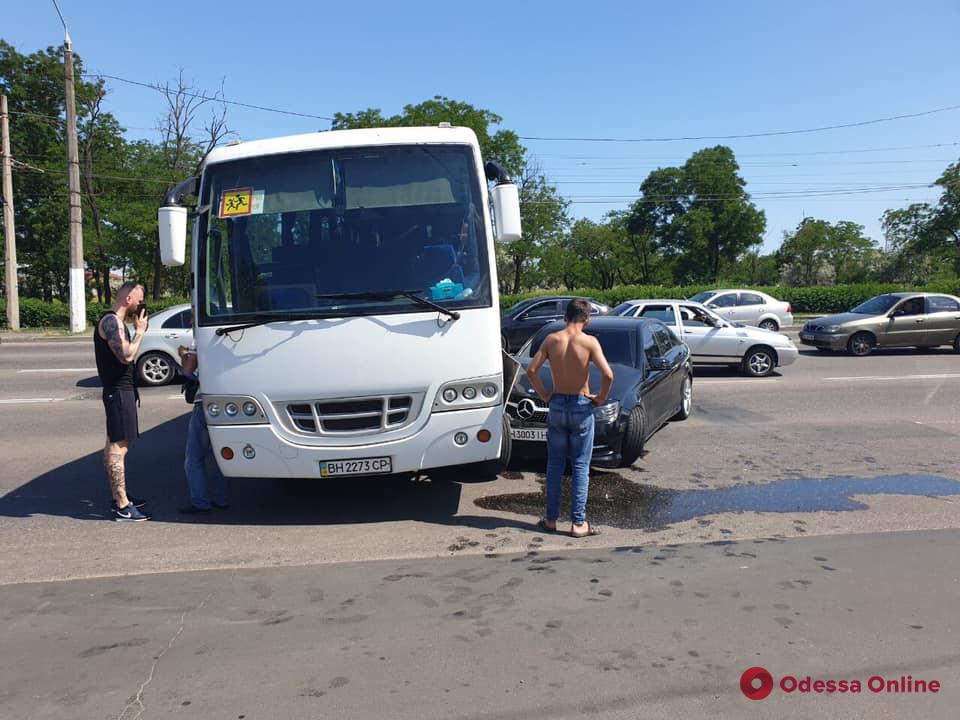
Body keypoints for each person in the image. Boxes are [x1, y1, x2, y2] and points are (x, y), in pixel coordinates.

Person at [525, 298, 614, 538]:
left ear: (565, 317)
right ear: (587, 319)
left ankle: (551, 520)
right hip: (581, 404)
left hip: (557, 405)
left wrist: (545, 394)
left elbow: (531, 370)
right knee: (580, 465)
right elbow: (608, 374)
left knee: (554, 465)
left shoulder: (552, 340)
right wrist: (600, 398)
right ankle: (578, 523)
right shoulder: (589, 342)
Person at [93, 281, 150, 521]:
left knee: (112, 446)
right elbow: (126, 355)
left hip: (121, 392)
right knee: (119, 449)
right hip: (118, 392)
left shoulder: (116, 322)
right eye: (139, 299)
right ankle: (122, 505)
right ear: (128, 299)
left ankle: (120, 496)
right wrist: (140, 331)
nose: (140, 304)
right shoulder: (111, 322)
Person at [177, 339, 229, 514]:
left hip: (205, 403)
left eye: (192, 316)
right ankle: (221, 498)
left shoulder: (202, 339)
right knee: (219, 456)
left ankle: (200, 502)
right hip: (227, 400)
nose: (192, 322)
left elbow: (187, 372)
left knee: (194, 458)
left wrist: (184, 355)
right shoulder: (230, 339)